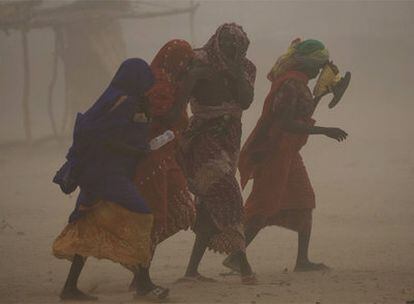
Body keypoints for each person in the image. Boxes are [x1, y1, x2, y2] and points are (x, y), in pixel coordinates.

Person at [223, 38, 348, 273]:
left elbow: (300, 113)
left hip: (288, 152)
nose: (319, 71)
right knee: (263, 204)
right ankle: (236, 256)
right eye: (318, 66)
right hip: (275, 152)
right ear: (306, 64)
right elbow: (286, 123)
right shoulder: (290, 84)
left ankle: (302, 261)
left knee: (304, 200)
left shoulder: (298, 82)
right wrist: (325, 130)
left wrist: (320, 94)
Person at [52, 58, 169, 300]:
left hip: (96, 173)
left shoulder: (119, 98)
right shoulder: (124, 101)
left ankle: (70, 287)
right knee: (144, 216)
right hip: (107, 174)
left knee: (86, 224)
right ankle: (144, 284)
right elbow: (101, 137)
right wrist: (135, 151)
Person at [177, 23, 257, 284]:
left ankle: (191, 272)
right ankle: (244, 267)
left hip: (230, 139)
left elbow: (245, 101)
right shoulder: (198, 62)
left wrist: (235, 71)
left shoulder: (246, 68)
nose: (233, 52)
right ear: (218, 42)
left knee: (209, 203)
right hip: (203, 138)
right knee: (228, 193)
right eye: (229, 47)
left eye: (238, 49)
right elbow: (179, 101)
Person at [129, 40, 196, 291]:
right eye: (185, 61)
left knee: (182, 209)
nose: (187, 67)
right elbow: (164, 118)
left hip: (166, 156)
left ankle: (139, 269)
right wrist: (187, 89)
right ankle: (141, 278)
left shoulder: (169, 81)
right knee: (155, 216)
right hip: (153, 158)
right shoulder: (160, 82)